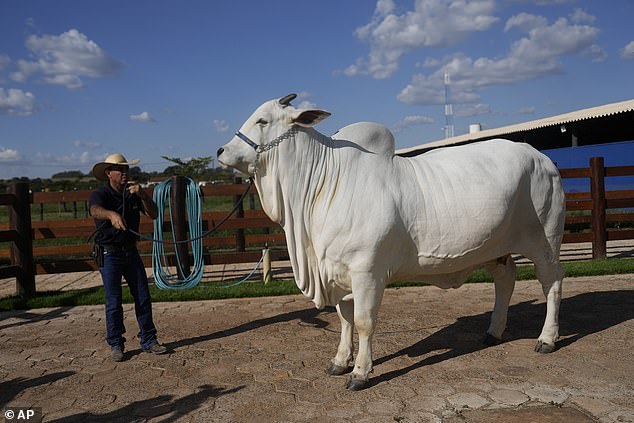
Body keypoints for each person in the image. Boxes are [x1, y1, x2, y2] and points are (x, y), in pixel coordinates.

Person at [89, 153, 167, 361]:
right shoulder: (100, 194)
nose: (125, 173)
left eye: (126, 170)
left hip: (130, 252)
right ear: (109, 173)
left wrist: (143, 196)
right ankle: (116, 343)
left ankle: (149, 340)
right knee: (113, 301)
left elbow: (155, 214)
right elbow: (95, 210)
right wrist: (111, 215)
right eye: (120, 170)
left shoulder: (133, 193)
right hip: (110, 253)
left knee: (142, 296)